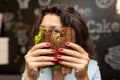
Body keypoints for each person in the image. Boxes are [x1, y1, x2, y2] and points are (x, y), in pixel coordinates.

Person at [21, 3, 101, 80]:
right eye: (42, 30)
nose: (45, 36)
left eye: (56, 31)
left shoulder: (91, 67)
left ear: (73, 37)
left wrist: (83, 78)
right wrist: (30, 77)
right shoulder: (33, 65)